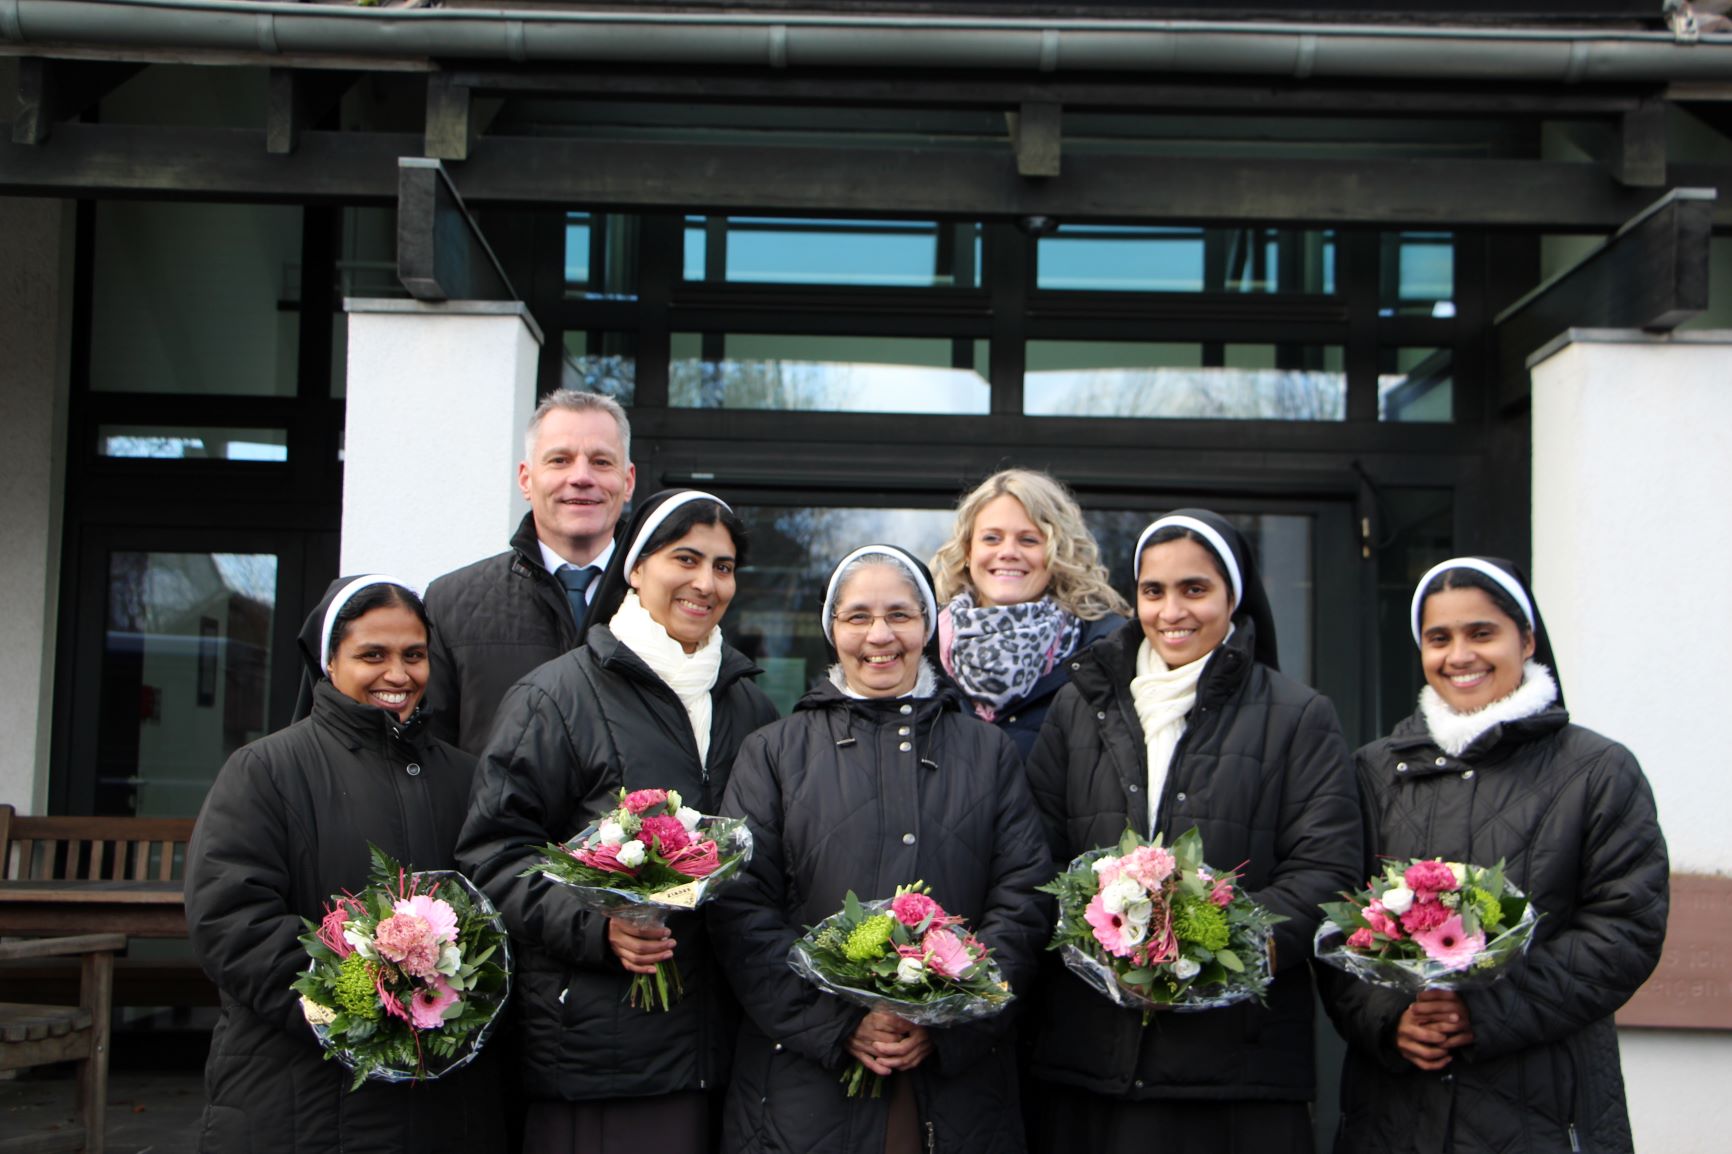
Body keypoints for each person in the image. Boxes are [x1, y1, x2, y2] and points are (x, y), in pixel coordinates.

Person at [1023, 509, 1363, 1154]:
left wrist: (1206, 955)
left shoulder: (1298, 716)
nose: (1171, 610)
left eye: (1195, 589)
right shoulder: (1081, 704)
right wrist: (1097, 940)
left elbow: (1328, 871)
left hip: (1235, 1067)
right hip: (1091, 1056)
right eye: (1153, 591)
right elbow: (1037, 853)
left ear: (1232, 597)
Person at [456, 489, 779, 1154]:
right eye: (684, 558)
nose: (705, 582)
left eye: (723, 566)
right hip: (604, 1050)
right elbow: (492, 851)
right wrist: (596, 928)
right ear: (635, 568)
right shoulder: (557, 697)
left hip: (728, 1048)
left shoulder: (751, 708)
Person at [709, 544, 1052, 1154]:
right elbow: (740, 906)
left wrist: (950, 1019)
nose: (880, 635)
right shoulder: (774, 752)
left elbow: (1023, 901)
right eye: (858, 616)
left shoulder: (988, 752)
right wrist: (839, 1025)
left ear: (928, 627)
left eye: (900, 614)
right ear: (831, 629)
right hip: (802, 1088)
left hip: (959, 1090)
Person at [1323, 557, 1668, 1154]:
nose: (1460, 655)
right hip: (1394, 1114)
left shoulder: (1597, 771)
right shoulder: (1373, 772)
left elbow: (1625, 928)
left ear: (1527, 640)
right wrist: (1387, 1016)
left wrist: (1485, 1012)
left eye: (1481, 633)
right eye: (1440, 638)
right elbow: (1332, 918)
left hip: (1545, 1107)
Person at [184, 576, 502, 1154]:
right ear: (330, 661)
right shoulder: (265, 770)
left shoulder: (467, 776)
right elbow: (231, 921)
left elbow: (495, 911)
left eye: (414, 655)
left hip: (440, 1100)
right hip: (299, 1097)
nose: (398, 675)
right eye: (371, 655)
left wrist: (450, 999)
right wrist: (369, 1003)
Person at [423, 389, 636, 754]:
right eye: (560, 460)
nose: (581, 477)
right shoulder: (449, 604)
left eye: (601, 461)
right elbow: (430, 754)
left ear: (628, 481)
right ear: (526, 479)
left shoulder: (667, 603)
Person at [931, 468, 1129, 758]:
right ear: (968, 550)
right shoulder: (923, 645)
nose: (1008, 552)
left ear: (1057, 552)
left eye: (1029, 540)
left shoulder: (1105, 651)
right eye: (991, 538)